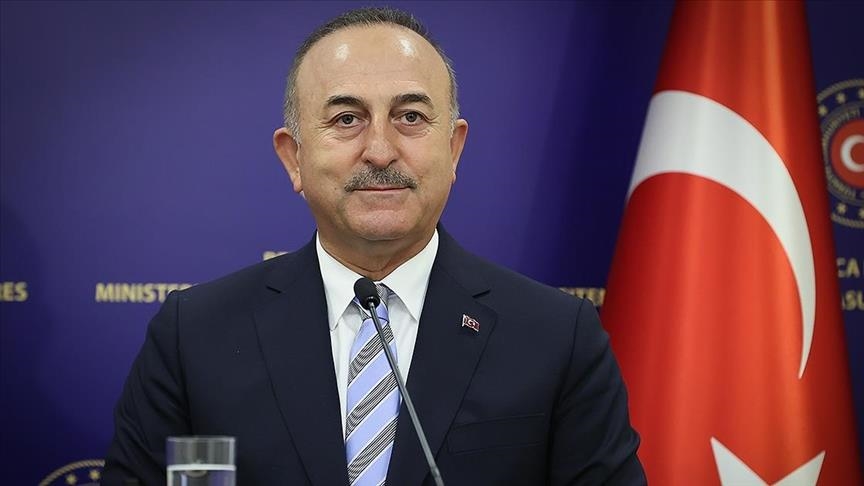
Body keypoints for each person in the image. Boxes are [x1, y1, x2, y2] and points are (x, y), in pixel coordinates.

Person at [103, 6, 645, 485]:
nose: (381, 151)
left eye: (410, 117)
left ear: (454, 149)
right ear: (293, 158)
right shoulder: (194, 336)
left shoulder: (556, 337)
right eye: (347, 119)